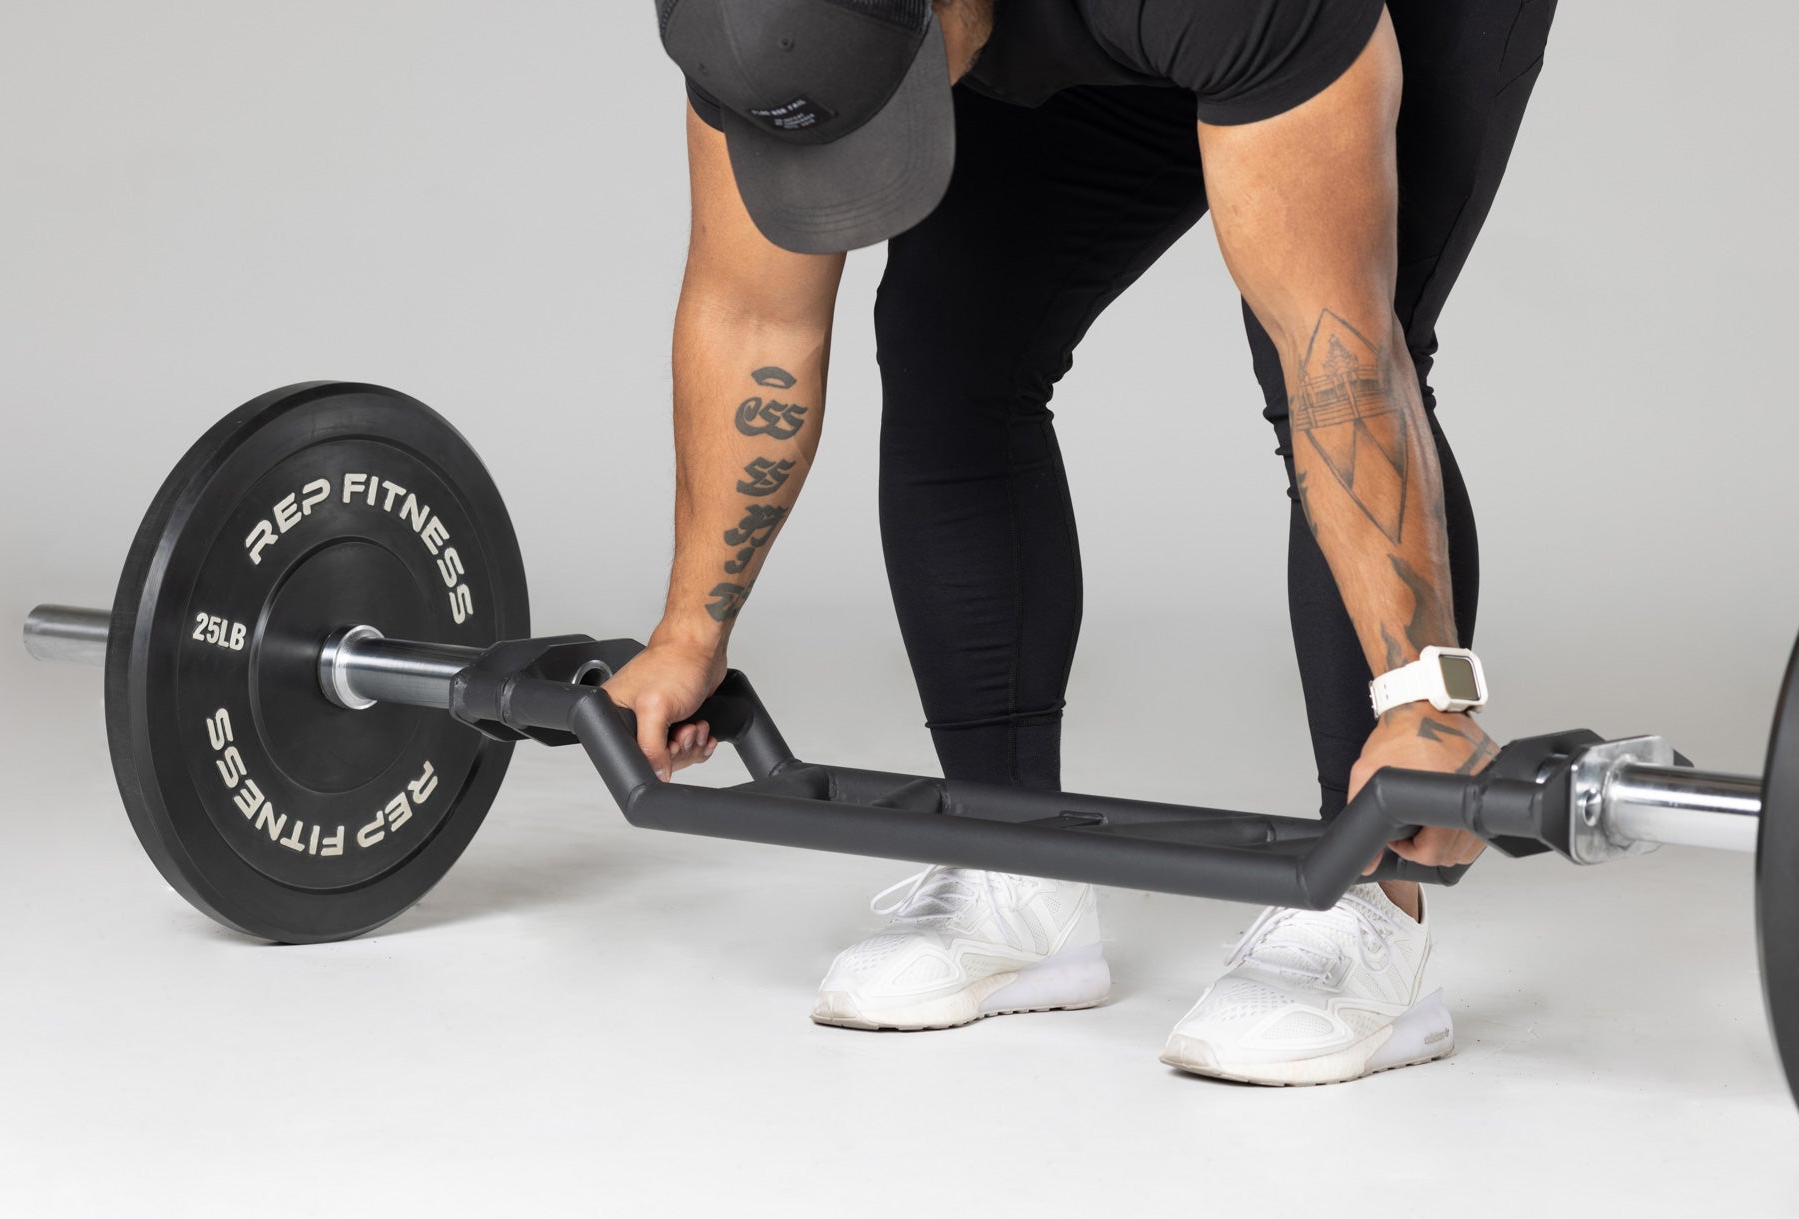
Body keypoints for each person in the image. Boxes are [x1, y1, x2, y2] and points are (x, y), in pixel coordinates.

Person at [612, 0, 1556, 1085]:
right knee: (949, 337)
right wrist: (692, 628)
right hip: (1099, 26)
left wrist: (1426, 698)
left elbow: (1339, 362)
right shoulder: (747, 22)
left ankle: (1374, 904)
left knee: (1319, 346)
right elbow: (753, 317)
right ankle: (1009, 865)